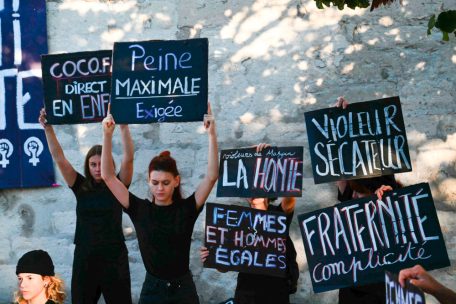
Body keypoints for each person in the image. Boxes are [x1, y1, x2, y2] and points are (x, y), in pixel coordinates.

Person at [101, 104, 219, 304]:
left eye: (165, 183)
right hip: (152, 290)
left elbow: (211, 176)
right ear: (148, 181)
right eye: (155, 183)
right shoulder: (139, 208)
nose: (160, 188)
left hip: (183, 290)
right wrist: (107, 135)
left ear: (176, 181)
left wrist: (212, 135)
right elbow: (108, 176)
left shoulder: (187, 208)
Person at [38, 109, 133, 304]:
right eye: (93, 164)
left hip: (114, 259)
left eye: (102, 163)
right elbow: (59, 158)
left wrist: (123, 126)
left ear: (111, 164)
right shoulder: (80, 185)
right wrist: (48, 129)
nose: (98, 168)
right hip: (85, 257)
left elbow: (129, 158)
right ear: (87, 166)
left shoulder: (118, 185)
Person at [200, 143, 298, 304]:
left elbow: (290, 196)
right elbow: (223, 267)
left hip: (276, 294)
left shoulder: (277, 215)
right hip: (246, 295)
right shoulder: (236, 220)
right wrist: (212, 255)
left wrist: (272, 156)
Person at [334, 96, 400, 304]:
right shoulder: (350, 197)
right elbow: (336, 161)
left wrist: (391, 201)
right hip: (350, 292)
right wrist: (340, 122)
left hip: (384, 293)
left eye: (359, 192)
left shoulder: (395, 206)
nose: (353, 196)